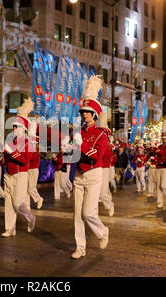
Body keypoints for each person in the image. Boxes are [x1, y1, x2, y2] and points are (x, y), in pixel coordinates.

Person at [71, 76, 109, 259]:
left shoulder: (102, 133)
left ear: (94, 113)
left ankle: (102, 231)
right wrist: (68, 148)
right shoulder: (77, 132)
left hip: (94, 174)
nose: (84, 114)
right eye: (83, 111)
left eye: (87, 111)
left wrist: (82, 145)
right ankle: (80, 247)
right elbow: (73, 154)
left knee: (88, 213)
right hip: (79, 174)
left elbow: (97, 155)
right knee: (77, 214)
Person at [1, 99, 36, 237]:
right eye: (14, 126)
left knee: (17, 203)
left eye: (16, 126)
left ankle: (30, 217)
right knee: (8, 203)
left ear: (24, 129)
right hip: (8, 174)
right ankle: (10, 228)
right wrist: (0, 156)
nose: (14, 129)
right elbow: (5, 157)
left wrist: (12, 152)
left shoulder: (29, 143)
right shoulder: (10, 141)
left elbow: (25, 160)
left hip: (21, 174)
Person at [98, 114, 114, 217]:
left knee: (102, 192)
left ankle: (109, 205)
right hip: (95, 168)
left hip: (103, 169)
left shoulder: (108, 146)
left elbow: (106, 157)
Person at [155, 120, 166, 209]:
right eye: (163, 138)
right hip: (158, 167)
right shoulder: (160, 146)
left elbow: (163, 152)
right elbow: (154, 151)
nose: (163, 139)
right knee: (158, 186)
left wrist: (159, 152)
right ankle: (159, 202)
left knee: (163, 185)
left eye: (165, 138)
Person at [26, 130, 44, 210]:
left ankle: (39, 199)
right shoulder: (31, 150)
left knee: (31, 188)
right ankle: (27, 205)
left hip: (33, 170)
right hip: (28, 170)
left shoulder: (36, 151)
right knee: (26, 188)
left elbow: (30, 159)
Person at [146, 134, 158, 198]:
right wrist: (147, 161)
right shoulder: (150, 150)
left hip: (155, 167)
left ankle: (156, 193)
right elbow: (147, 157)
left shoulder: (156, 150)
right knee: (150, 180)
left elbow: (159, 157)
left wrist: (154, 158)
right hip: (150, 166)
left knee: (156, 181)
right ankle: (151, 192)